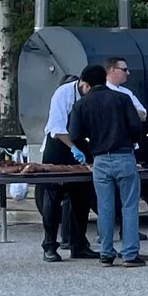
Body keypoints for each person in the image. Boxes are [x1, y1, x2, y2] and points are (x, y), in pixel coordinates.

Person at [70, 56, 146, 267]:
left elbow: (74, 135)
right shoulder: (122, 99)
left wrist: (89, 152)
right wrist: (131, 143)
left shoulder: (81, 105)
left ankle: (106, 252)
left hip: (100, 159)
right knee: (129, 205)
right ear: (104, 78)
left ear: (86, 83)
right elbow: (136, 127)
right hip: (124, 155)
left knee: (105, 207)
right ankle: (130, 254)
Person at [37, 67, 96, 261]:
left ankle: (78, 244)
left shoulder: (93, 96)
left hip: (80, 144)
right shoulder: (63, 94)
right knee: (53, 197)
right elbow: (57, 127)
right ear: (83, 84)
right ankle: (49, 245)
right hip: (58, 145)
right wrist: (73, 148)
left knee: (82, 197)